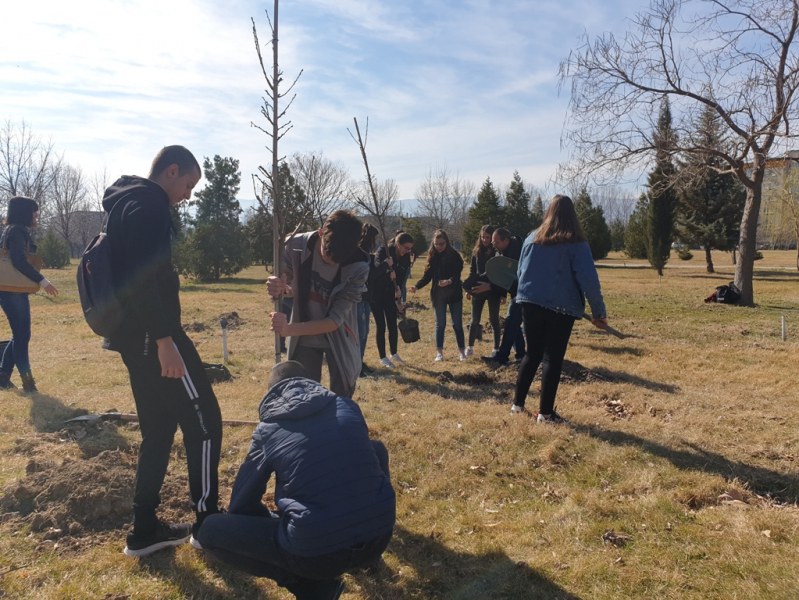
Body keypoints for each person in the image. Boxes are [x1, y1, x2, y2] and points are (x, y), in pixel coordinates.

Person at [103, 145, 223, 557]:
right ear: (172, 171)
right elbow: (143, 280)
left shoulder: (125, 202)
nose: (187, 196)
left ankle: (144, 529)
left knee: (158, 429)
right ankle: (209, 524)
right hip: (155, 338)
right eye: (188, 185)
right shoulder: (150, 206)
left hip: (130, 339)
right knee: (206, 421)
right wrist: (164, 340)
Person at [197, 360, 395, 600]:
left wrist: (279, 524)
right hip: (380, 535)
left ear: (271, 394)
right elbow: (371, 455)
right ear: (312, 384)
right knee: (377, 449)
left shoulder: (267, 429)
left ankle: (310, 587)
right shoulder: (347, 405)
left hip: (316, 555)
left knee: (209, 530)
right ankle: (369, 556)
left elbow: (241, 505)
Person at [512, 195, 608, 422]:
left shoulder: (531, 239)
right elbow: (588, 280)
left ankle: (517, 405)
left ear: (549, 212)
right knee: (552, 359)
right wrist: (599, 312)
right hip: (560, 308)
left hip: (530, 302)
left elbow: (520, 272)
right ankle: (545, 414)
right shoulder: (576, 243)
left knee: (531, 354)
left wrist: (524, 296)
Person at [267, 210, 368, 398]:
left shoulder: (359, 267)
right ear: (321, 232)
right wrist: (278, 286)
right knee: (304, 395)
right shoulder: (295, 245)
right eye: (326, 256)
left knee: (343, 395)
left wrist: (288, 330)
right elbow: (286, 279)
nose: (330, 264)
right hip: (304, 330)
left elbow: (333, 322)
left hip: (340, 336)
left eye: (337, 261)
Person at [0, 196, 58, 392]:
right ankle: (28, 383)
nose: (36, 216)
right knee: (22, 336)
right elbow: (18, 260)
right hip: (12, 291)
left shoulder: (11, 230)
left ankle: (3, 377)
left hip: (9, 290)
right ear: (25, 213)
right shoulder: (17, 231)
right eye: (34, 212)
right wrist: (42, 280)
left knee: (20, 335)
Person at [409, 229, 466, 362]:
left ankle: (462, 351)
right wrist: (417, 286)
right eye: (436, 244)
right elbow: (427, 276)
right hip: (438, 295)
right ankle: (439, 352)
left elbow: (457, 275)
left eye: (442, 244)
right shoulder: (433, 257)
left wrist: (449, 281)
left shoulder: (455, 256)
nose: (439, 247)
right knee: (440, 324)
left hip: (454, 294)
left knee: (457, 324)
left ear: (447, 242)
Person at [481, 227, 525, 367]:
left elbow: (510, 277)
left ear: (505, 240)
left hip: (525, 293)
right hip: (516, 293)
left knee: (511, 320)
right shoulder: (506, 250)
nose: (493, 245)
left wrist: (491, 287)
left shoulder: (518, 252)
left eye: (496, 242)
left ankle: (502, 357)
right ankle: (520, 355)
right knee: (513, 323)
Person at [370, 232, 414, 368]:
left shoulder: (406, 257)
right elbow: (375, 272)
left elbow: (401, 276)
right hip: (376, 294)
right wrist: (386, 266)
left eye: (410, 249)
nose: (408, 251)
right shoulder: (384, 251)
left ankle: (394, 353)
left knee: (392, 324)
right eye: (406, 248)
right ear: (397, 244)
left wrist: (399, 290)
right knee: (381, 325)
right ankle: (382, 357)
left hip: (390, 294)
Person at [464, 225, 501, 358]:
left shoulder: (497, 252)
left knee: (494, 319)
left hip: (493, 289)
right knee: (475, 319)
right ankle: (470, 347)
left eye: (487, 237)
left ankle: (496, 348)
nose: (485, 239)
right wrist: (469, 288)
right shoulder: (476, 251)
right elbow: (473, 270)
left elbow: (500, 273)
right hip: (478, 288)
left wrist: (501, 293)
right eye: (482, 237)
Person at [357, 224, 379, 376]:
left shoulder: (369, 255)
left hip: (367, 298)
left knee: (365, 332)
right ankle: (356, 364)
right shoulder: (361, 255)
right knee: (361, 332)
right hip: (359, 298)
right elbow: (369, 275)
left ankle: (360, 361)